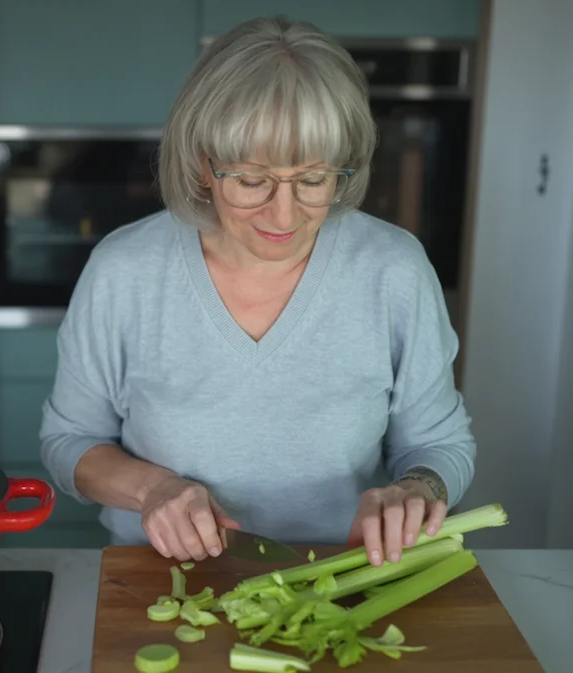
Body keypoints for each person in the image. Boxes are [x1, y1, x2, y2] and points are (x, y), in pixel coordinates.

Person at [38, 16, 476, 567]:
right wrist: (153, 490)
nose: (285, 214)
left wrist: (418, 489)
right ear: (203, 164)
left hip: (337, 581)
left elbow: (440, 446)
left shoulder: (393, 271)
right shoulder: (124, 271)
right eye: (251, 180)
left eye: (313, 180)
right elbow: (69, 443)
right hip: (162, 582)